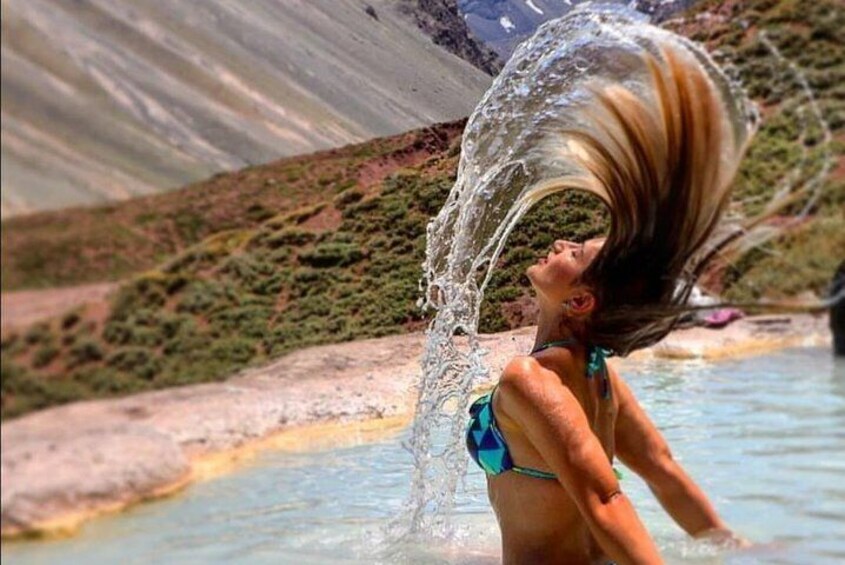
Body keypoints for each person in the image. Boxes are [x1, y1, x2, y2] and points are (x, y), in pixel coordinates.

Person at [465, 44, 754, 564]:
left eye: (575, 252)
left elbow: (605, 498)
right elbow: (662, 468)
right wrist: (738, 548)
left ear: (580, 299)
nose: (559, 244)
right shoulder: (598, 376)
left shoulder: (530, 380)